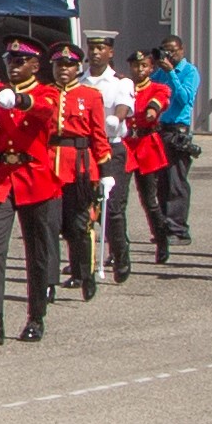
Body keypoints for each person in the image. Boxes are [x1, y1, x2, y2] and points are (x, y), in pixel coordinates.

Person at [0, 37, 63, 344]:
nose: (14, 66)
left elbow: (47, 112)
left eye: (21, 62)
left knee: (37, 251)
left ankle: (36, 316)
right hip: (0, 177)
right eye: (10, 61)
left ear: (36, 65)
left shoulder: (46, 92)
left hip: (33, 176)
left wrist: (22, 101)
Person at [46, 43, 111, 299]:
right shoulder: (45, 93)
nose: (64, 70)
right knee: (49, 226)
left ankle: (85, 273)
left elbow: (98, 134)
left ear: (77, 68)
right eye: (59, 65)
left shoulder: (90, 95)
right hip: (50, 167)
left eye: (69, 65)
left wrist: (105, 171)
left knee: (79, 226)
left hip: (80, 168)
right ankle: (48, 281)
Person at [77, 34, 138, 283]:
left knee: (112, 209)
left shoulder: (120, 83)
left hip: (111, 149)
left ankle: (120, 255)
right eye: (92, 48)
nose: (96, 52)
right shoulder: (79, 80)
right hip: (85, 150)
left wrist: (115, 119)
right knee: (82, 208)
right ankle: (82, 264)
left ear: (110, 52)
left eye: (101, 48)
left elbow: (122, 109)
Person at [145, 37, 203, 256]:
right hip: (159, 128)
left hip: (178, 129)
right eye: (165, 51)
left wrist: (171, 73)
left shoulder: (189, 71)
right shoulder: (159, 72)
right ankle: (165, 226)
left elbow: (184, 98)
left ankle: (179, 229)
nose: (169, 56)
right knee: (161, 181)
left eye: (173, 51)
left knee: (176, 181)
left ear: (182, 49)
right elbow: (150, 88)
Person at [120, 49, 175, 270]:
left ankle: (161, 240)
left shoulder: (158, 87)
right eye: (135, 66)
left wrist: (153, 111)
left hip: (145, 146)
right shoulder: (123, 87)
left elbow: (159, 101)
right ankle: (119, 247)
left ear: (151, 68)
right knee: (117, 201)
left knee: (149, 200)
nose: (139, 70)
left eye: (144, 66)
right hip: (125, 146)